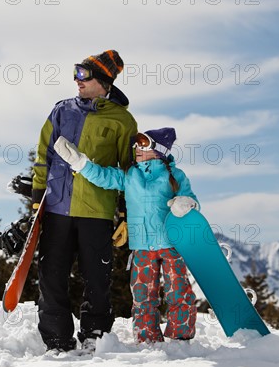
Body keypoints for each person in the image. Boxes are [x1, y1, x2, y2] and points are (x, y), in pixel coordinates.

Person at [32, 50, 137, 352]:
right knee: (51, 276)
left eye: (84, 74)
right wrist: (39, 195)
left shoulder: (122, 120)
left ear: (103, 81)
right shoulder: (62, 111)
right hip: (57, 207)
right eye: (76, 72)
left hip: (97, 212)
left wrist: (125, 213)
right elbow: (44, 154)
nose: (77, 79)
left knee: (96, 279)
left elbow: (129, 170)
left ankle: (95, 336)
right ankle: (56, 340)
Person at [54, 127, 199, 343]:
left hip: (171, 244)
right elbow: (104, 177)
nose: (137, 149)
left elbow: (191, 200)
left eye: (144, 145)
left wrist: (186, 203)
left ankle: (181, 336)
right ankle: (147, 338)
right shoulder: (131, 175)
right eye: (137, 145)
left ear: (158, 150)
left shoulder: (175, 176)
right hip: (141, 246)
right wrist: (80, 162)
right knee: (142, 295)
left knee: (178, 291)